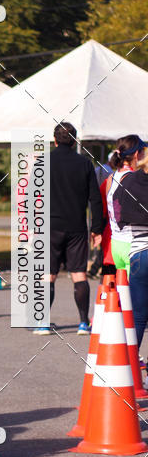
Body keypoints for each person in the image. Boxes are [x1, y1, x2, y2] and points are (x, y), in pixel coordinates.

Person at [34, 122, 103, 336]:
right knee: (79, 274)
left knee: (48, 274)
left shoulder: (42, 162)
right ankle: (83, 323)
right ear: (74, 141)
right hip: (77, 227)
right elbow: (95, 199)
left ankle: (43, 323)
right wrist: (97, 228)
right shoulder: (85, 163)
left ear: (54, 140)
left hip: (49, 226)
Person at [115, 150, 148, 350]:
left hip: (139, 252)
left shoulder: (129, 181)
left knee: (138, 314)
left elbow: (118, 209)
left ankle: (131, 361)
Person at [101, 136, 144, 276]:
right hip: (133, 245)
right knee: (137, 289)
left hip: (116, 243)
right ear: (137, 154)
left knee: (122, 288)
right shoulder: (135, 178)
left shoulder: (111, 178)